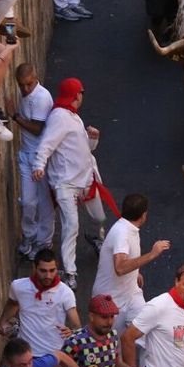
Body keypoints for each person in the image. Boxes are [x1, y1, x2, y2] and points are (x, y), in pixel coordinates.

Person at [33, 78, 109, 288]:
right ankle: (70, 272)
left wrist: (93, 138)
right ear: (77, 95)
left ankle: (99, 240)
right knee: (71, 226)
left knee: (99, 216)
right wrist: (38, 165)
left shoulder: (72, 117)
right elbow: (46, 144)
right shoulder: (60, 117)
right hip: (66, 184)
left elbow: (84, 148)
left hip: (85, 180)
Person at [93, 193, 169, 367]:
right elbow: (120, 266)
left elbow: (125, 262)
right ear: (144, 215)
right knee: (112, 348)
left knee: (147, 332)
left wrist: (135, 272)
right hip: (111, 300)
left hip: (132, 294)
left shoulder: (129, 227)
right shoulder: (122, 232)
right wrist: (152, 255)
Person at [2, 249, 80, 358]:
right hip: (25, 357)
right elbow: (12, 303)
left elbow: (76, 325)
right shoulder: (18, 286)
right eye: (43, 271)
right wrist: (2, 322)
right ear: (34, 268)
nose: (48, 275)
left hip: (54, 358)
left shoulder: (66, 292)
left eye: (52, 270)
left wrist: (71, 332)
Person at [12, 64, 55, 261]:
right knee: (29, 202)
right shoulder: (26, 95)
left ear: (35, 77)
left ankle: (44, 242)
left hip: (42, 159)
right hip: (26, 157)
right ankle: (29, 237)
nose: (26, 89)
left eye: (29, 84)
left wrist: (15, 116)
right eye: (22, 85)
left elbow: (37, 129)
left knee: (45, 205)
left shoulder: (42, 98)